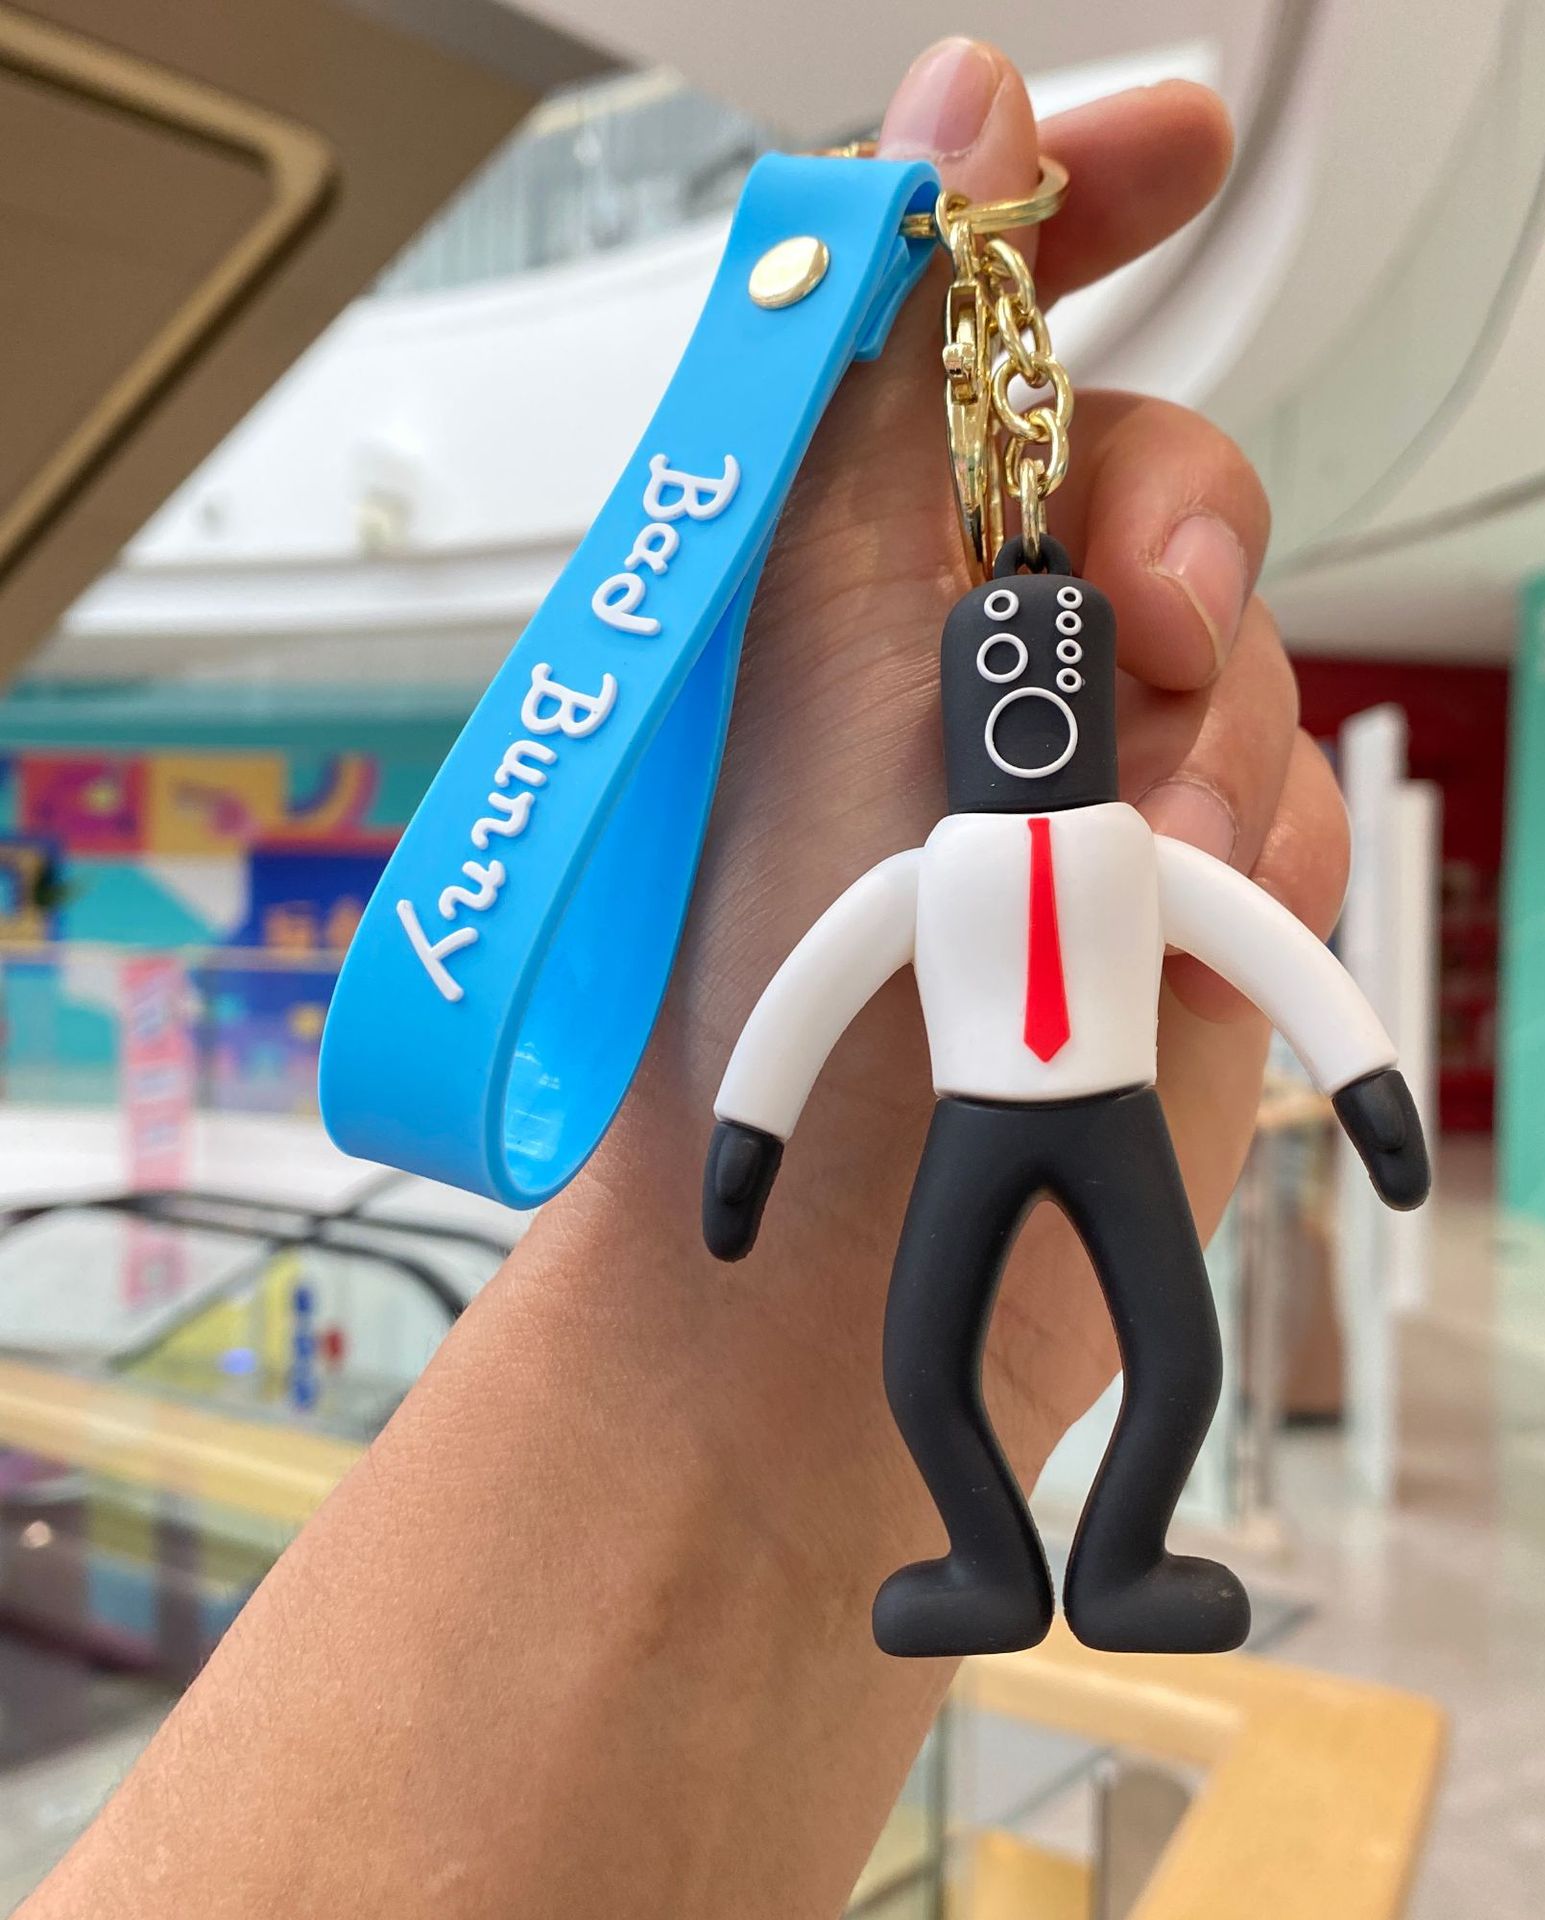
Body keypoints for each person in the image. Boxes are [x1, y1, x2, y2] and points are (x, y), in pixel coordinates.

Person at [25, 39, 1353, 1918]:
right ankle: (989, 1551)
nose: (1028, 699)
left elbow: (1249, 944)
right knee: (924, 1351)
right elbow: (814, 985)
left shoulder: (1095, 865)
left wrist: (1365, 1087)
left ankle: (1117, 1549)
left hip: (1091, 1111)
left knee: (1167, 1347)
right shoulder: (943, 869)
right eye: (1006, 673)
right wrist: (737, 1176)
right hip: (983, 1122)